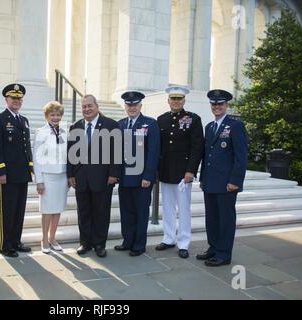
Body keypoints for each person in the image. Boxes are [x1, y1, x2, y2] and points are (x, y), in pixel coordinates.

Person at [197, 89, 248, 267]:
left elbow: (241, 157)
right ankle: (214, 247)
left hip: (227, 184)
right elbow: (206, 155)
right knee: (211, 218)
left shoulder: (235, 126)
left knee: (225, 219)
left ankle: (224, 254)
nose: (216, 107)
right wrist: (202, 178)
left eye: (220, 104)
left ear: (227, 105)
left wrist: (235, 181)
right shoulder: (210, 127)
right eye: (213, 104)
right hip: (210, 182)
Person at [67, 95, 121, 258]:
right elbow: (70, 153)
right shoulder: (75, 126)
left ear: (97, 106)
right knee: (83, 212)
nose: (87, 109)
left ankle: (99, 244)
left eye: (90, 106)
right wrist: (70, 174)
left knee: (101, 212)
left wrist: (114, 173)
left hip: (103, 178)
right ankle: (85, 242)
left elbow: (117, 152)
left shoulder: (111, 125)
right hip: (81, 178)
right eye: (84, 106)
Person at [156, 85, 204, 259]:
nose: (176, 102)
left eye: (179, 99)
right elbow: (157, 147)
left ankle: (183, 242)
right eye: (173, 99)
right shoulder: (161, 119)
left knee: (183, 209)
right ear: (168, 100)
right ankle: (169, 238)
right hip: (166, 171)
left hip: (184, 173)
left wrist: (191, 170)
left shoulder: (193, 119)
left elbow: (197, 147)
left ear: (184, 100)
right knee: (167, 208)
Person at [0, 84, 33, 257]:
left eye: (19, 99)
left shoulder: (24, 120)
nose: (17, 101)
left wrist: (30, 167)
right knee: (7, 211)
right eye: (13, 98)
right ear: (6, 99)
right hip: (7, 174)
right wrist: (0, 171)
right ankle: (5, 245)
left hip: (22, 173)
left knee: (19, 210)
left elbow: (26, 147)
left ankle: (16, 241)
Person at [114, 91, 160, 256]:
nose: (132, 107)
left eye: (135, 105)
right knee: (126, 211)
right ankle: (127, 241)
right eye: (129, 105)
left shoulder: (150, 124)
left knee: (141, 212)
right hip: (125, 178)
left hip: (142, 179)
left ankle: (139, 245)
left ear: (140, 105)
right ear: (125, 106)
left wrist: (148, 176)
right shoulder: (119, 125)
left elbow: (153, 152)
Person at [33, 101, 69, 254]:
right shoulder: (41, 132)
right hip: (47, 177)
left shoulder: (64, 132)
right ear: (47, 116)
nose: (55, 117)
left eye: (58, 114)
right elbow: (37, 158)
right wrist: (39, 181)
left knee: (57, 209)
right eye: (52, 114)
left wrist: (69, 176)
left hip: (62, 176)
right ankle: (44, 239)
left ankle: (53, 237)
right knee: (47, 210)